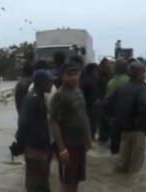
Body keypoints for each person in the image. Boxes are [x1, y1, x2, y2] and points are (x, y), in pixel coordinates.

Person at [105, 61, 146, 174]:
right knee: (135, 166)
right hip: (138, 130)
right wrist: (143, 123)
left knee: (122, 163)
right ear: (139, 74)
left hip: (123, 129)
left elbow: (106, 103)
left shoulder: (121, 87)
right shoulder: (142, 88)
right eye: (143, 73)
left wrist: (114, 118)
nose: (144, 75)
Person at [49, 63, 91, 192]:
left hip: (80, 143)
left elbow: (83, 115)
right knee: (67, 181)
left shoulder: (78, 91)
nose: (73, 77)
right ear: (62, 76)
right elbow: (54, 122)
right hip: (68, 145)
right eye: (69, 75)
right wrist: (61, 149)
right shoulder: (59, 95)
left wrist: (88, 138)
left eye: (76, 74)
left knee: (77, 179)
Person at [12, 69, 56, 192]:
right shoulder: (32, 100)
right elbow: (24, 123)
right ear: (41, 83)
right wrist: (20, 144)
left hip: (41, 148)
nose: (51, 84)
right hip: (35, 150)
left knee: (42, 185)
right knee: (36, 186)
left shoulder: (40, 97)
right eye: (49, 82)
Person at [105, 59, 130, 154]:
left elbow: (107, 101)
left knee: (115, 146)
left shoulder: (110, 83)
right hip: (129, 117)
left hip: (115, 116)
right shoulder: (131, 81)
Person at [80, 63, 99, 140]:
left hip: (90, 105)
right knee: (91, 123)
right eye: (95, 70)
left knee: (92, 123)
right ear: (91, 70)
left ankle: (91, 136)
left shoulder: (86, 79)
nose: (96, 71)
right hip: (89, 105)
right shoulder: (89, 80)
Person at [97, 57, 114, 143]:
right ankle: (103, 138)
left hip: (107, 100)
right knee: (103, 121)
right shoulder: (98, 74)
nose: (108, 66)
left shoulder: (110, 74)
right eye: (106, 65)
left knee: (107, 121)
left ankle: (105, 138)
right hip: (102, 99)